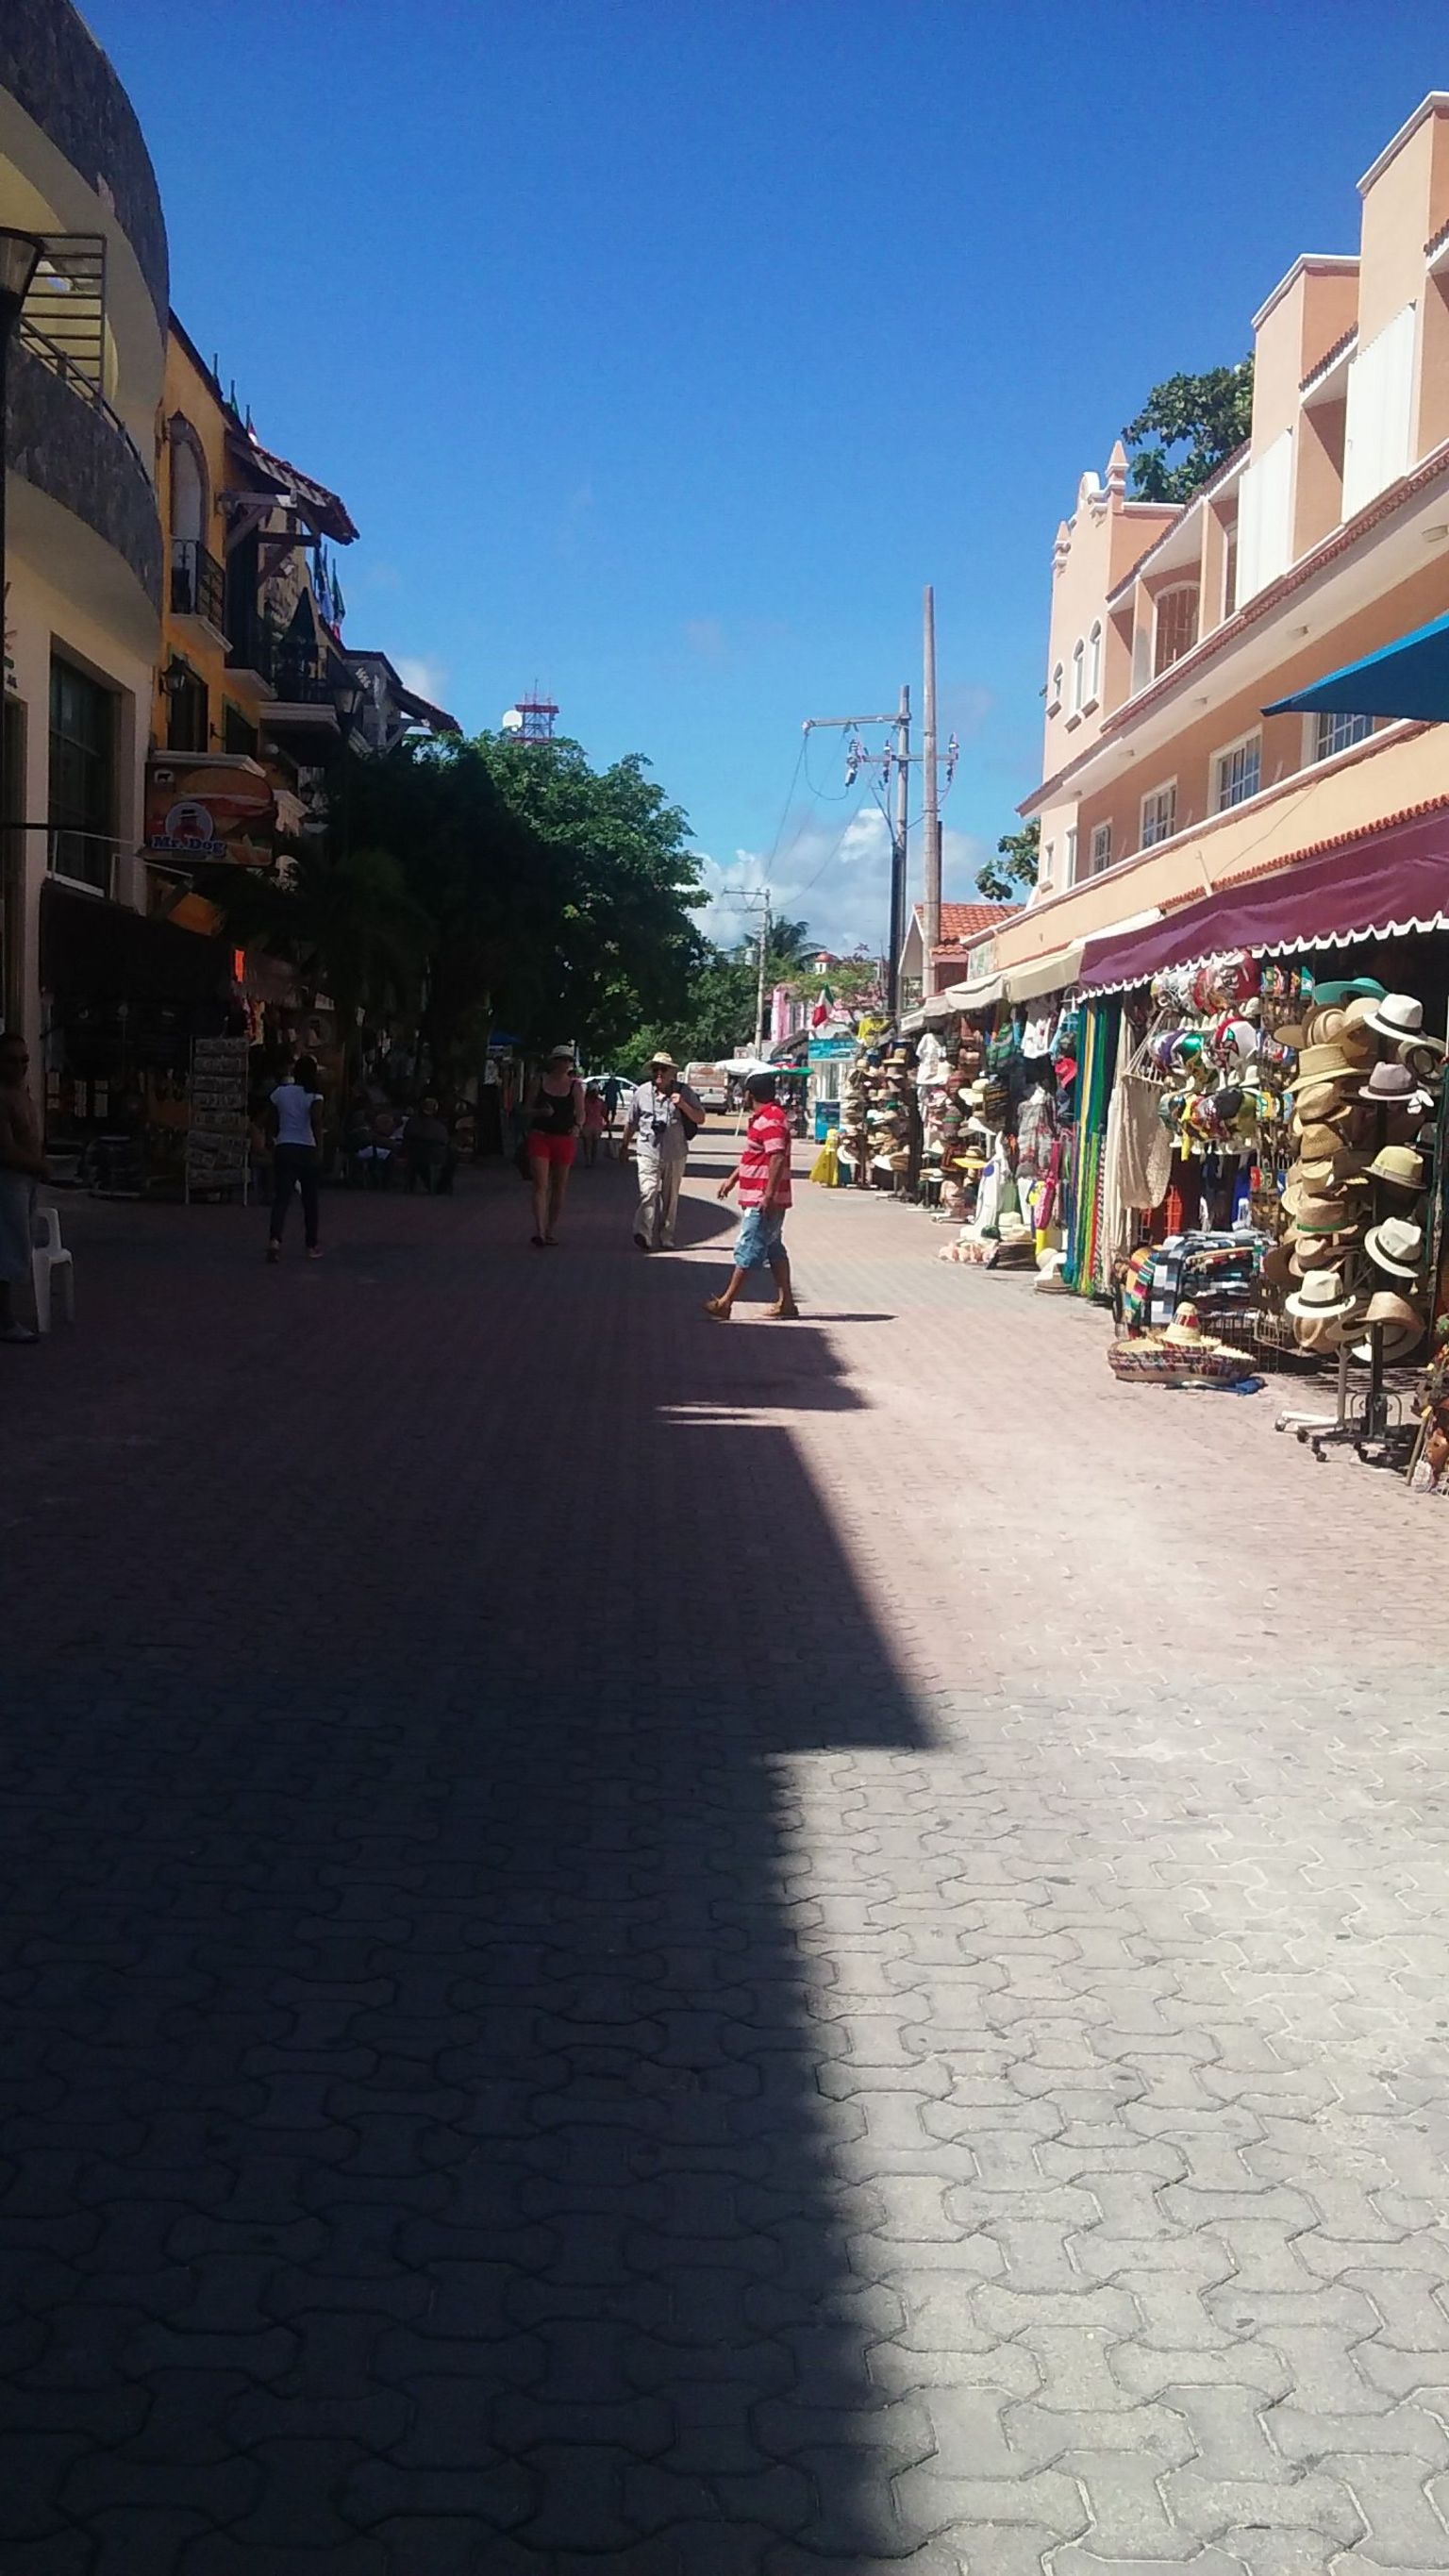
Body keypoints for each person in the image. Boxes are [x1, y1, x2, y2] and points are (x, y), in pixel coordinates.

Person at [706, 1069, 798, 1321]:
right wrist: (733, 1179)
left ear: (749, 1094)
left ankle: (726, 1302)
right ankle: (787, 1302)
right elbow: (754, 1155)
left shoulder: (769, 1120)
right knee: (773, 1247)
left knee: (748, 1247)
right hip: (763, 1195)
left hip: (763, 1198)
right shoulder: (766, 1118)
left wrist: (767, 1196)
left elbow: (776, 1157)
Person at [621, 1049, 705, 1252]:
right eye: (655, 1069)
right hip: (647, 1150)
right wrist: (624, 1145)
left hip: (675, 1153)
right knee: (647, 1192)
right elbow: (631, 1122)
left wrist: (683, 1105)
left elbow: (700, 1118)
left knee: (670, 1197)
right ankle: (644, 1233)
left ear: (672, 1072)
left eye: (663, 1069)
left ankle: (666, 1236)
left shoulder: (684, 1091)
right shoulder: (642, 1092)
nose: (659, 1073)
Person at [0, 1028, 44, 1344]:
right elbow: (6, 1149)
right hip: (9, 1179)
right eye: (12, 1061)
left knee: (18, 1246)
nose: (20, 1067)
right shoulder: (2, 1097)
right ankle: (5, 1320)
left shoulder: (22, 1092)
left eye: (24, 1061)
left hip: (26, 1181)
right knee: (7, 1250)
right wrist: (40, 1165)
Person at [266, 1051, 324, 1263]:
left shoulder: (281, 1093)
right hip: (306, 1147)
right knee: (310, 1200)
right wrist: (320, 1149)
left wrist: (271, 1138)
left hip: (285, 1146)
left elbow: (271, 1120)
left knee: (281, 1198)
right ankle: (311, 1244)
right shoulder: (314, 1096)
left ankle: (275, 1240)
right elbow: (316, 1123)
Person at [525, 1045, 583, 1246]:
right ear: (553, 1061)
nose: (563, 1064)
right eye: (560, 1059)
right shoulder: (539, 1081)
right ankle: (539, 1231)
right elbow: (525, 1109)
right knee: (541, 1184)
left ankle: (549, 1230)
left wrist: (578, 1126)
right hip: (540, 1136)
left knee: (559, 1186)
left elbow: (581, 1113)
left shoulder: (575, 1086)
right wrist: (540, 1113)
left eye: (567, 1060)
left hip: (564, 1138)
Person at [404, 1096, 451, 1194]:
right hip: (428, 1156)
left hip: (419, 1155)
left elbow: (407, 1137)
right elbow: (444, 1139)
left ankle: (437, 1185)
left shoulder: (413, 1122)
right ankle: (440, 1186)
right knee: (450, 1157)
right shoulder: (438, 1124)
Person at [580, 1083, 608, 1168]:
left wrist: (607, 1121)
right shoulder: (586, 1102)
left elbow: (604, 1113)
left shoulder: (598, 1102)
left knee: (592, 1144)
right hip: (589, 1124)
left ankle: (591, 1160)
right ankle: (589, 1160)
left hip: (593, 1125)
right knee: (589, 1143)